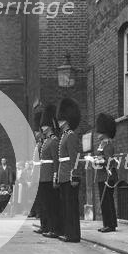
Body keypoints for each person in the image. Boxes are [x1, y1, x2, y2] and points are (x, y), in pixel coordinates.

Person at [56, 98, 81, 243]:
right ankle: (68, 232)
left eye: (61, 119)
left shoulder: (71, 136)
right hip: (64, 175)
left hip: (70, 176)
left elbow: (75, 157)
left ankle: (73, 234)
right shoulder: (64, 136)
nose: (59, 121)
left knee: (71, 207)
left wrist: (75, 176)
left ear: (66, 119)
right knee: (66, 206)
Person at [36, 104, 62, 238]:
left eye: (45, 125)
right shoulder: (46, 141)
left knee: (52, 204)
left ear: (50, 126)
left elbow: (56, 161)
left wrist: (55, 177)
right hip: (43, 177)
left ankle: (53, 228)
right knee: (45, 204)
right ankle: (47, 227)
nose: (42, 128)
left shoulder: (54, 141)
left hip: (49, 176)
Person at [95, 113, 118, 233]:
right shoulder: (102, 144)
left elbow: (108, 160)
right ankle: (109, 223)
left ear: (104, 132)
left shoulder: (108, 144)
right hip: (102, 176)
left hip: (107, 176)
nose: (97, 134)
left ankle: (110, 225)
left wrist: (97, 160)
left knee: (107, 200)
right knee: (105, 200)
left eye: (99, 131)